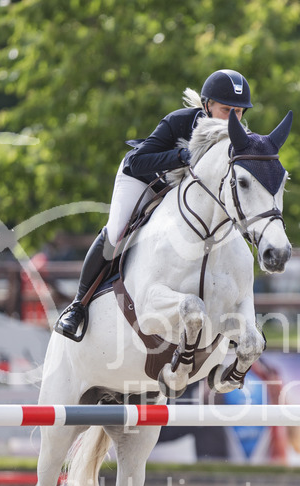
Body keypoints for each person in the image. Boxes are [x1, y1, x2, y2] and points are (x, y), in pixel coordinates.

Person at [54, 69, 254, 341]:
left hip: (181, 194)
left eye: (240, 112)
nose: (234, 118)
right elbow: (139, 161)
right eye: (226, 109)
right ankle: (77, 306)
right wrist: (183, 155)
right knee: (116, 233)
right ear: (207, 106)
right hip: (143, 180)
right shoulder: (179, 121)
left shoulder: (239, 139)